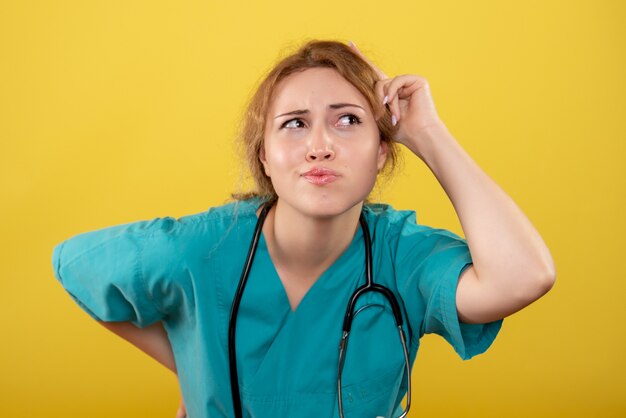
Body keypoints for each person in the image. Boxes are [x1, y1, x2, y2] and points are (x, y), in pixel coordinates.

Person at [51, 40, 556, 418]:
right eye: (294, 123)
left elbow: (524, 277)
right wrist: (194, 364)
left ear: (383, 151)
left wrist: (426, 133)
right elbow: (74, 267)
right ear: (264, 157)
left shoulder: (401, 256)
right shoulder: (205, 247)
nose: (320, 145)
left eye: (348, 121)